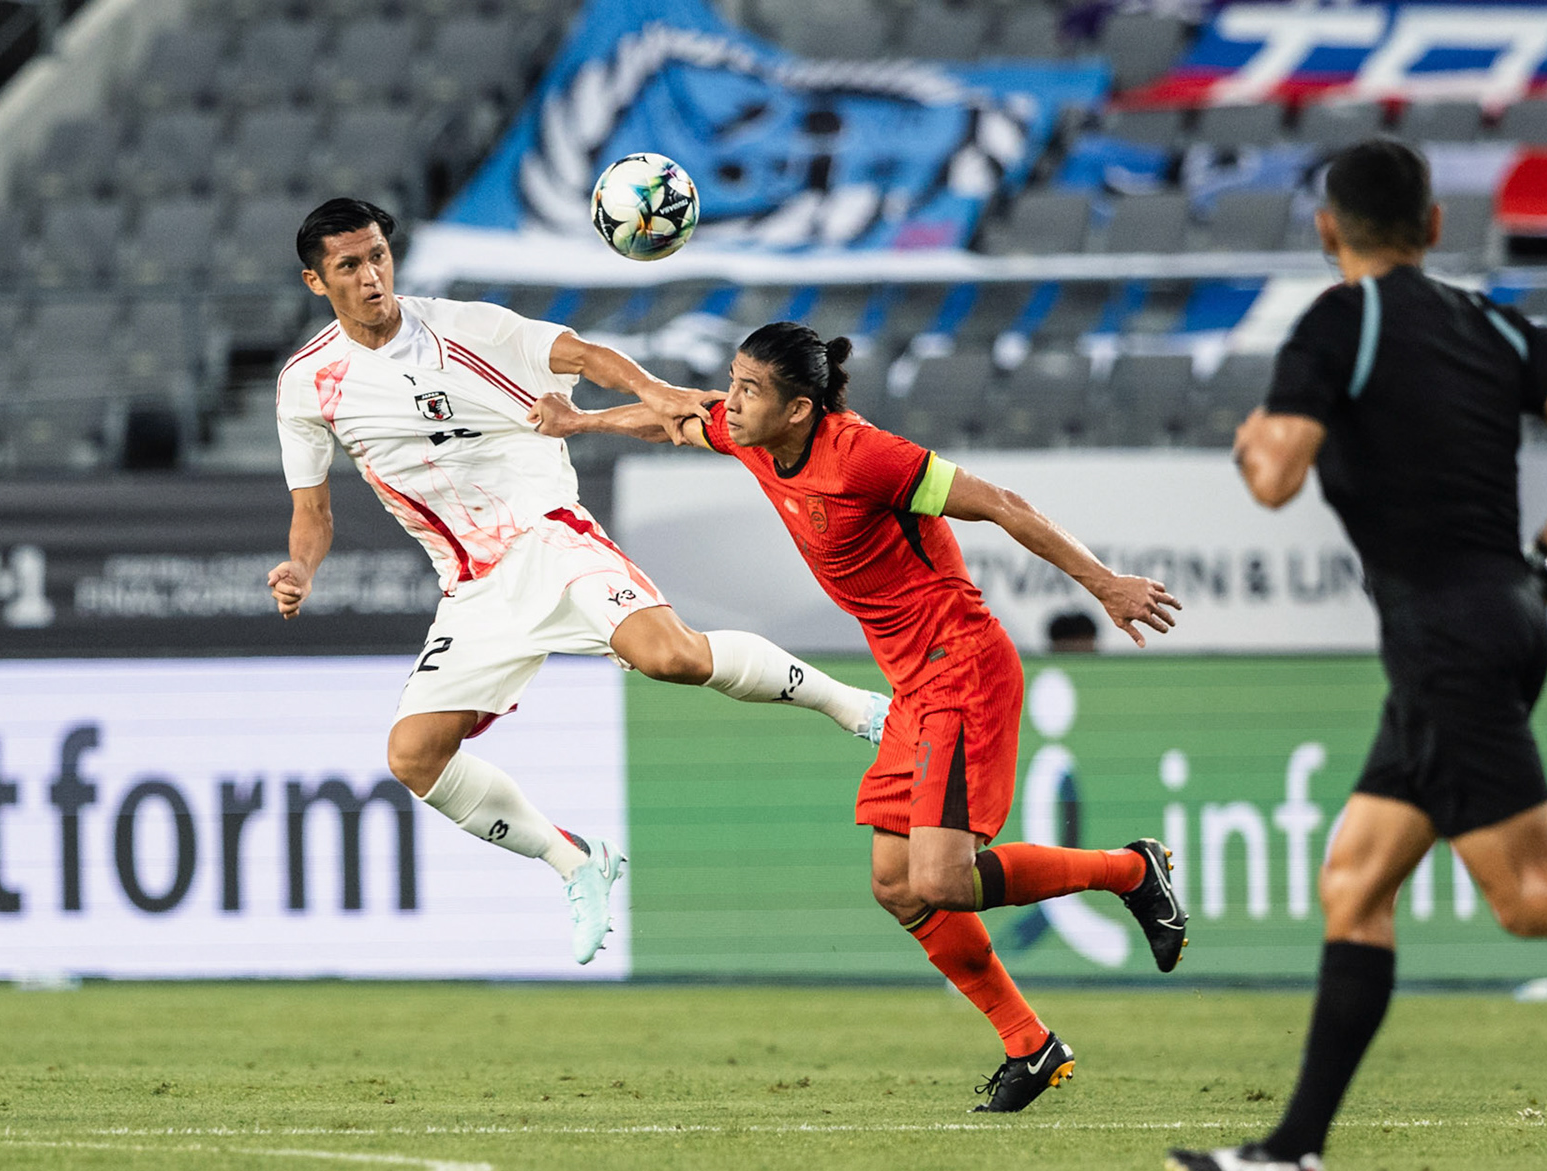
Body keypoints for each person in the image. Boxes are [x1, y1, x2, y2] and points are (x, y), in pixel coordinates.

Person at [1164, 139, 1547, 1171]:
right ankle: (1291, 1157)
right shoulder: (1494, 321)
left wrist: (1252, 437)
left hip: (1443, 637)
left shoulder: (1337, 322)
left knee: (1528, 893)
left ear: (1327, 232)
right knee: (1355, 881)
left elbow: (1273, 480)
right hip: (1498, 616)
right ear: (1435, 227)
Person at [531, 322, 1188, 1112]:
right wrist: (581, 423)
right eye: (733, 381)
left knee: (942, 877)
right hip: (915, 686)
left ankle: (1131, 870)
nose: (730, 402)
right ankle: (1031, 1045)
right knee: (897, 885)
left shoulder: (867, 458)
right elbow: (675, 413)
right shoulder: (756, 438)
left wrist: (1105, 582)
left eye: (749, 389)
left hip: (963, 669)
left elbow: (1003, 504)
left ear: (801, 407)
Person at [270, 199, 891, 966]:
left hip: (547, 535)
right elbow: (314, 511)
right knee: (413, 758)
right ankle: (575, 860)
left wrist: (658, 392)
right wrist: (301, 568)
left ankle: (852, 705)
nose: (372, 276)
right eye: (349, 266)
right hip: (472, 586)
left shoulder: (463, 328)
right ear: (314, 280)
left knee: (674, 659)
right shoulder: (308, 384)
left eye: (378, 257)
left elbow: (583, 355)